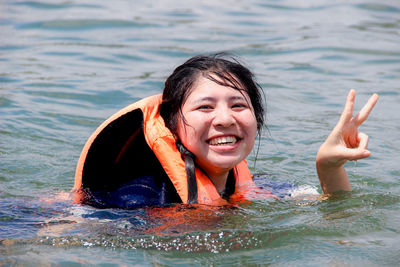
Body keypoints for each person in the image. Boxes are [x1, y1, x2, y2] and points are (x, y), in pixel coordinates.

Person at [72, 53, 378, 209]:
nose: (225, 119)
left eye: (238, 106)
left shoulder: (256, 188)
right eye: (205, 107)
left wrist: (328, 167)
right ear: (173, 125)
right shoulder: (140, 197)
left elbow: (337, 214)